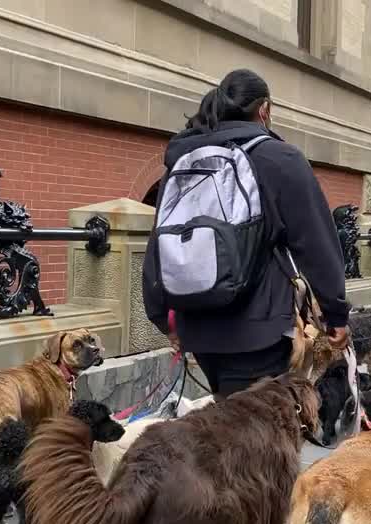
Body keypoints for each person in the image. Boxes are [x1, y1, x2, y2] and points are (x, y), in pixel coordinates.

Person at [142, 69, 349, 399]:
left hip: (197, 328)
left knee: (230, 425)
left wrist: (164, 319)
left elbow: (161, 241)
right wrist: (336, 313)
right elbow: (316, 243)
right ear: (264, 109)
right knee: (253, 439)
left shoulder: (183, 158)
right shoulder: (280, 158)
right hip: (259, 330)